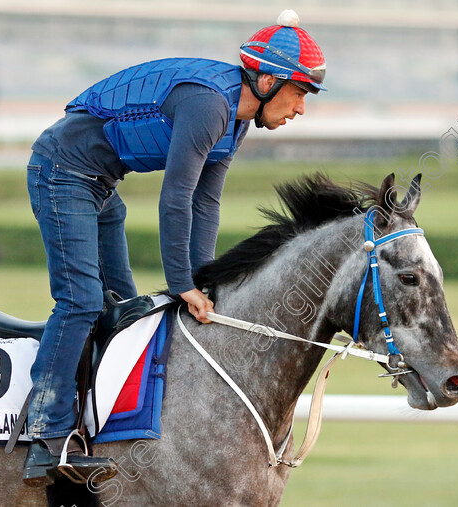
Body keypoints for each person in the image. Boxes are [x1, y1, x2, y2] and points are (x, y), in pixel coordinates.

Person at [22, 9, 326, 485]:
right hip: (61, 172)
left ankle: (100, 428)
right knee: (81, 300)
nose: (301, 108)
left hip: (100, 187)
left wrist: (204, 281)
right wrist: (181, 283)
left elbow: (206, 202)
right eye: (299, 92)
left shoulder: (236, 121)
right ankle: (45, 437)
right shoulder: (210, 106)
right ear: (267, 80)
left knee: (123, 310)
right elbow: (176, 198)